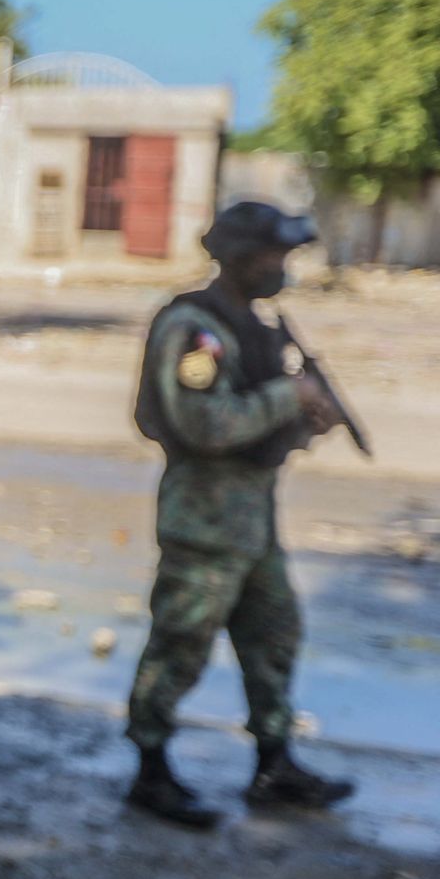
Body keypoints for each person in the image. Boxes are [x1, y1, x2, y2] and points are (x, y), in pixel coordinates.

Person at [124, 200, 356, 829]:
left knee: (274, 636)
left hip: (254, 517)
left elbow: (262, 415)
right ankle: (150, 769)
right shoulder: (195, 330)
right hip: (205, 520)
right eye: (270, 255)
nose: (280, 266)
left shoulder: (255, 324)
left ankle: (274, 764)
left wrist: (306, 417)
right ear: (238, 257)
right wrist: (292, 395)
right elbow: (205, 423)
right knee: (181, 644)